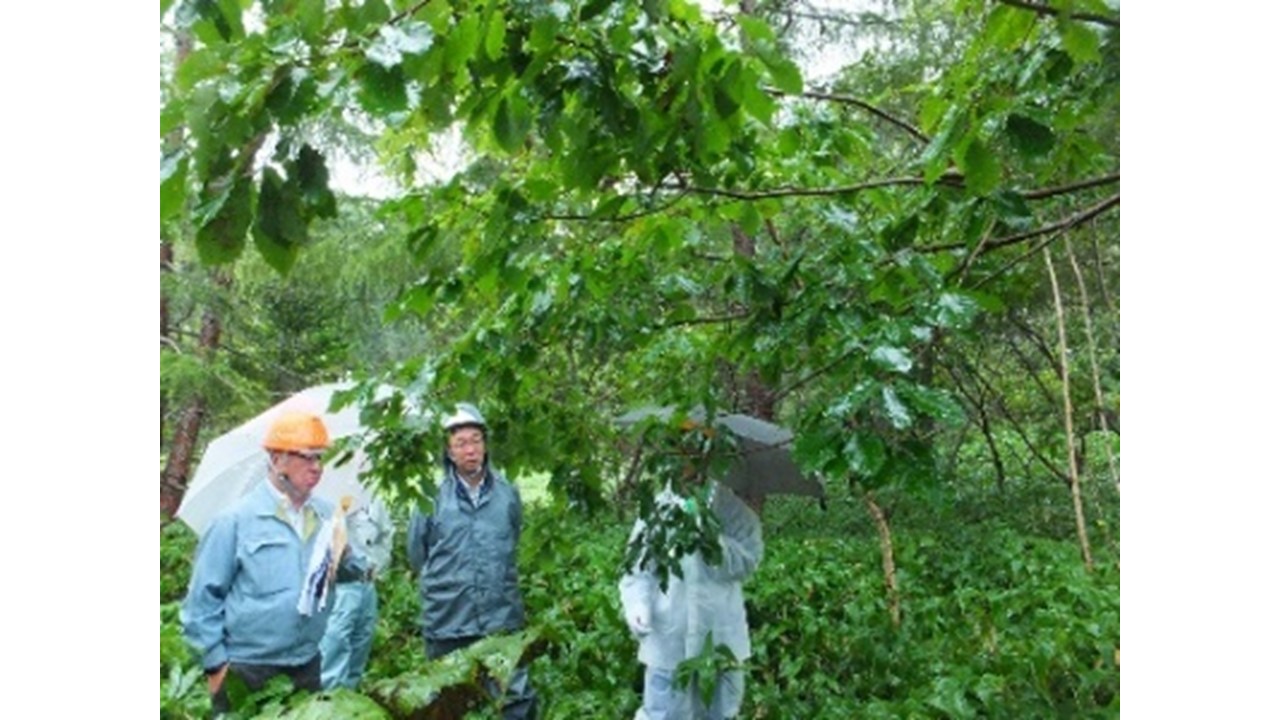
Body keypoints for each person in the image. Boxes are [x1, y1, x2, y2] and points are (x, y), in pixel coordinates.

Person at [181, 411, 366, 715]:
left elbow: (345, 574)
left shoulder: (326, 517)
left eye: (320, 458)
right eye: (307, 458)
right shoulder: (234, 522)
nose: (317, 467)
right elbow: (201, 603)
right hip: (248, 668)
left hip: (306, 664)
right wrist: (215, 666)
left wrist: (347, 558)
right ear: (277, 459)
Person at [407, 403, 537, 719]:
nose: (470, 450)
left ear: (486, 445)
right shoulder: (431, 496)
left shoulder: (507, 493)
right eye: (461, 443)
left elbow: (512, 538)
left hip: (500, 616)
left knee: (515, 698)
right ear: (449, 452)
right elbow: (416, 554)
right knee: (445, 702)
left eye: (476, 440)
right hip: (448, 620)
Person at [619, 474, 764, 720]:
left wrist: (709, 534)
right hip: (668, 637)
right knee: (662, 713)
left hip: (721, 638)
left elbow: (748, 560)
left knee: (721, 712)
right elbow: (638, 568)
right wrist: (637, 604)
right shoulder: (658, 509)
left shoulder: (732, 510)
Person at [318, 495, 395, 690]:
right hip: (339, 588)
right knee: (333, 652)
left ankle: (350, 703)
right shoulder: (315, 500)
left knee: (360, 649)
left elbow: (385, 533)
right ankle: (328, 706)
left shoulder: (367, 494)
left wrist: (376, 565)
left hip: (366, 585)